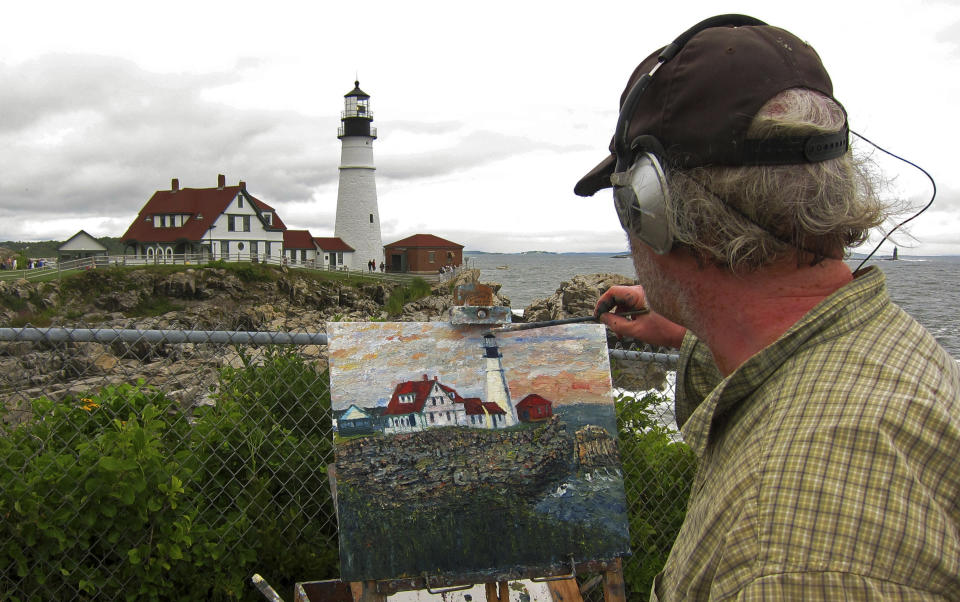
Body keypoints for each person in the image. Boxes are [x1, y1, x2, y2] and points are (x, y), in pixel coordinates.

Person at [577, 15, 960, 600]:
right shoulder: (879, 346)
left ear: (651, 210)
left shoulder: (783, 554)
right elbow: (775, 372)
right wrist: (687, 333)